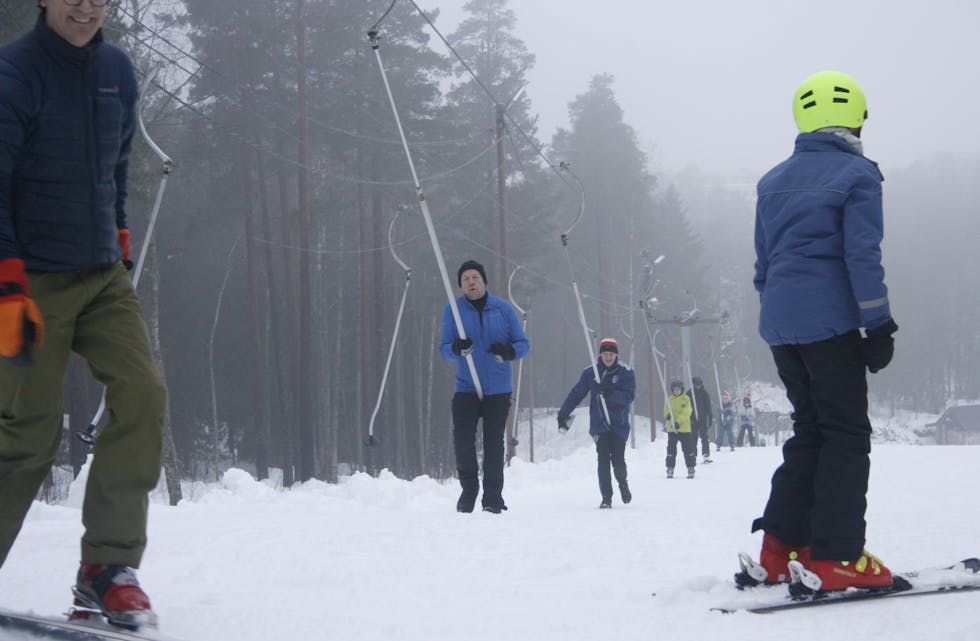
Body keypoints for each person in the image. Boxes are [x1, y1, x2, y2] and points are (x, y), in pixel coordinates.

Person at [0, 0, 167, 628]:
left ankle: (105, 570)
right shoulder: (13, 74)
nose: (87, 6)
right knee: (26, 435)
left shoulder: (117, 71)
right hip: (29, 279)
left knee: (144, 396)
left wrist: (119, 235)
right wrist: (7, 284)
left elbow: (116, 166)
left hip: (101, 276)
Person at [743, 70, 899, 594]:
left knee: (810, 430)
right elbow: (861, 255)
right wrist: (877, 324)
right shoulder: (858, 175)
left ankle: (780, 547)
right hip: (828, 322)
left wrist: (784, 313)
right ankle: (837, 557)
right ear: (854, 118)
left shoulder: (772, 180)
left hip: (781, 324)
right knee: (846, 434)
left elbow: (763, 265)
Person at [439, 260, 528, 514]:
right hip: (466, 385)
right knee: (463, 439)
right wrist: (456, 349)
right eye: (465, 278)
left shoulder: (502, 309)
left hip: (498, 387)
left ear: (484, 280)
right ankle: (469, 490)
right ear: (460, 285)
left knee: (493, 443)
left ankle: (492, 498)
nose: (471, 282)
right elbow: (444, 350)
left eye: (475, 276)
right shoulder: (453, 311)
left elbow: (523, 344)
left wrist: (509, 351)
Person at [557, 338, 636, 509]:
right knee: (602, 459)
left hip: (619, 423)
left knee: (618, 460)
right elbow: (577, 393)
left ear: (616, 355)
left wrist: (610, 392)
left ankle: (622, 483)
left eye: (611, 354)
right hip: (600, 424)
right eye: (605, 354)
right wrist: (563, 413)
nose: (608, 357)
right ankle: (606, 497)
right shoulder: (591, 372)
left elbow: (629, 396)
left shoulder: (625, 372)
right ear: (600, 354)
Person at [663, 380, 695, 478]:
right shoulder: (670, 400)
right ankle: (670, 468)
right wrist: (668, 416)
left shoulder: (685, 399)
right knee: (671, 449)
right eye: (675, 390)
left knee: (687, 449)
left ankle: (690, 468)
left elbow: (687, 412)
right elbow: (666, 410)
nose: (676, 391)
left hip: (684, 429)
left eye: (678, 389)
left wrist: (678, 421)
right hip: (672, 430)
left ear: (681, 390)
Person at [687, 376, 714, 463]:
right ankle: (693, 455)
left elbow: (708, 406)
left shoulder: (704, 393)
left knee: (704, 437)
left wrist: (710, 417)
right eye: (696, 385)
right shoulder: (689, 393)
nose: (698, 387)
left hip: (702, 419)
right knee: (693, 438)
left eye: (699, 385)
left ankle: (706, 455)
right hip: (692, 419)